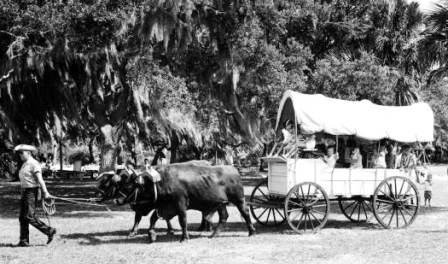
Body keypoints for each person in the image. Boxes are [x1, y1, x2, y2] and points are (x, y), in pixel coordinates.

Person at [15, 144, 56, 247]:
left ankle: (49, 230)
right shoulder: (25, 164)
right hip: (24, 192)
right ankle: (23, 241)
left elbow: (40, 180)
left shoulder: (34, 164)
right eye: (19, 153)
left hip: (31, 192)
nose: (20, 155)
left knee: (29, 216)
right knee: (22, 217)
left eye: (22, 153)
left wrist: (45, 192)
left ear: (28, 153)